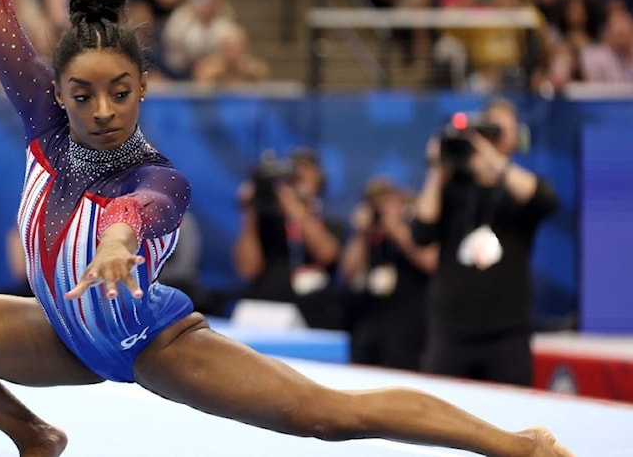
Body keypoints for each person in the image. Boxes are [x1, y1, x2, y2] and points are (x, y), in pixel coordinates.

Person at [0, 0, 573, 456]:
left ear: (144, 88)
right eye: (84, 93)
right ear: (56, 91)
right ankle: (34, 435)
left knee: (325, 416)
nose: (102, 109)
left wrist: (116, 248)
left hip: (151, 344)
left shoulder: (158, 177)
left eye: (120, 91)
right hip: (64, 333)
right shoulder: (42, 121)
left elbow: (136, 217)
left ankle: (518, 445)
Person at [412, 98, 559, 386]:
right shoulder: (453, 187)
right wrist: (437, 169)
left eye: (502, 131)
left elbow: (546, 202)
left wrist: (493, 160)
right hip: (450, 331)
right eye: (489, 129)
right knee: (441, 417)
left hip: (506, 331)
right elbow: (421, 232)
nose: (492, 139)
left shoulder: (519, 189)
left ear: (516, 138)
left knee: (511, 418)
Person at [232, 148, 348, 330]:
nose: (298, 178)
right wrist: (250, 212)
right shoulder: (266, 222)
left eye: (305, 173)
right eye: (293, 174)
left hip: (314, 316)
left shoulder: (332, 223)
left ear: (320, 181)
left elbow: (326, 254)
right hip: (265, 311)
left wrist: (291, 204)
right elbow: (247, 270)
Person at [340, 177, 436, 371]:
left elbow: (428, 261)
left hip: (409, 326)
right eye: (376, 204)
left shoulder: (416, 226)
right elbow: (348, 273)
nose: (382, 209)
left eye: (387, 201)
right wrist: (361, 234)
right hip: (370, 321)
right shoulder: (370, 237)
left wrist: (395, 227)